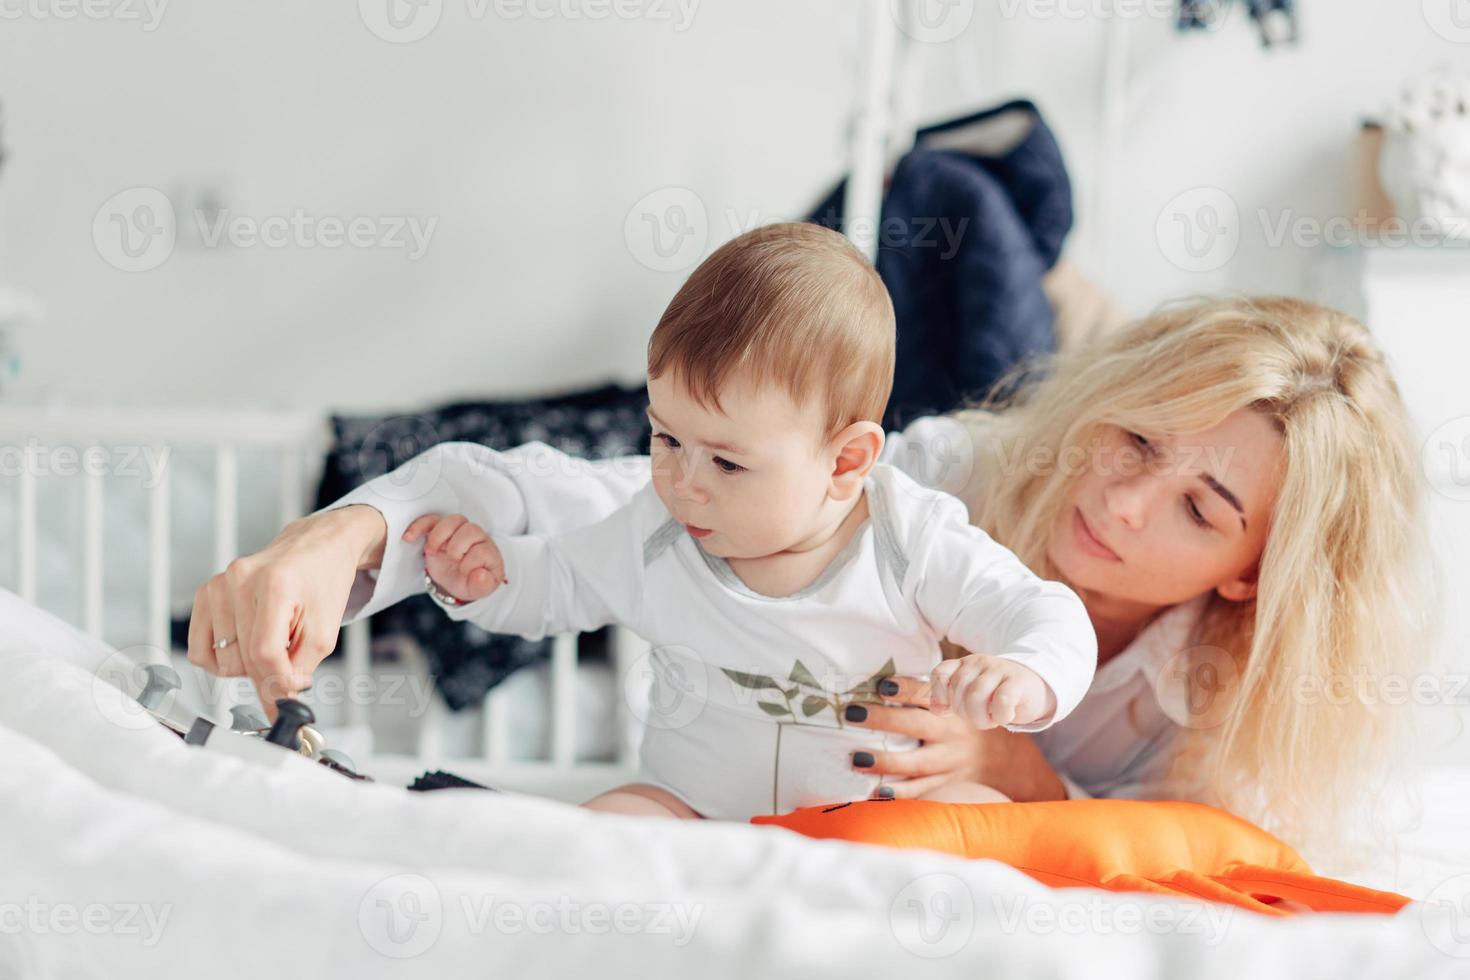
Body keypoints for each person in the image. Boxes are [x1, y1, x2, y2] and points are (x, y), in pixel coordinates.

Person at [188, 286, 1432, 860]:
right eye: (1137, 437)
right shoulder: (928, 488)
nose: (1118, 499)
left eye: (1199, 504)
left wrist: (1015, 765)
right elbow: (592, 505)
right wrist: (347, 540)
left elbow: (1199, 860)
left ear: (1254, 576)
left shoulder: (1238, 707)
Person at [390, 223, 1096, 820]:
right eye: (666, 440)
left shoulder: (908, 539)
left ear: (847, 462)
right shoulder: (654, 534)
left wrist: (1028, 676)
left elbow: (1045, 615)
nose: (681, 483)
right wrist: (484, 577)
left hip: (873, 824)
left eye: (728, 464)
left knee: (979, 817)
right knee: (613, 822)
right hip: (694, 816)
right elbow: (556, 583)